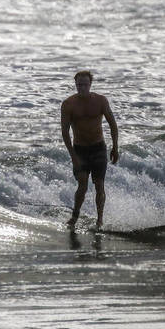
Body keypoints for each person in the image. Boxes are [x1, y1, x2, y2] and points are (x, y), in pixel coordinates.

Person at [60, 70, 119, 230]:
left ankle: (99, 221)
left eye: (85, 85)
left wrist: (115, 147)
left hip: (98, 148)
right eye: (79, 85)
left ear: (90, 84)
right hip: (80, 150)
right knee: (83, 184)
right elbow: (65, 132)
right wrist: (73, 156)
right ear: (75, 84)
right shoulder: (68, 104)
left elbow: (113, 124)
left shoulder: (100, 101)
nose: (82, 88)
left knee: (99, 185)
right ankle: (75, 216)